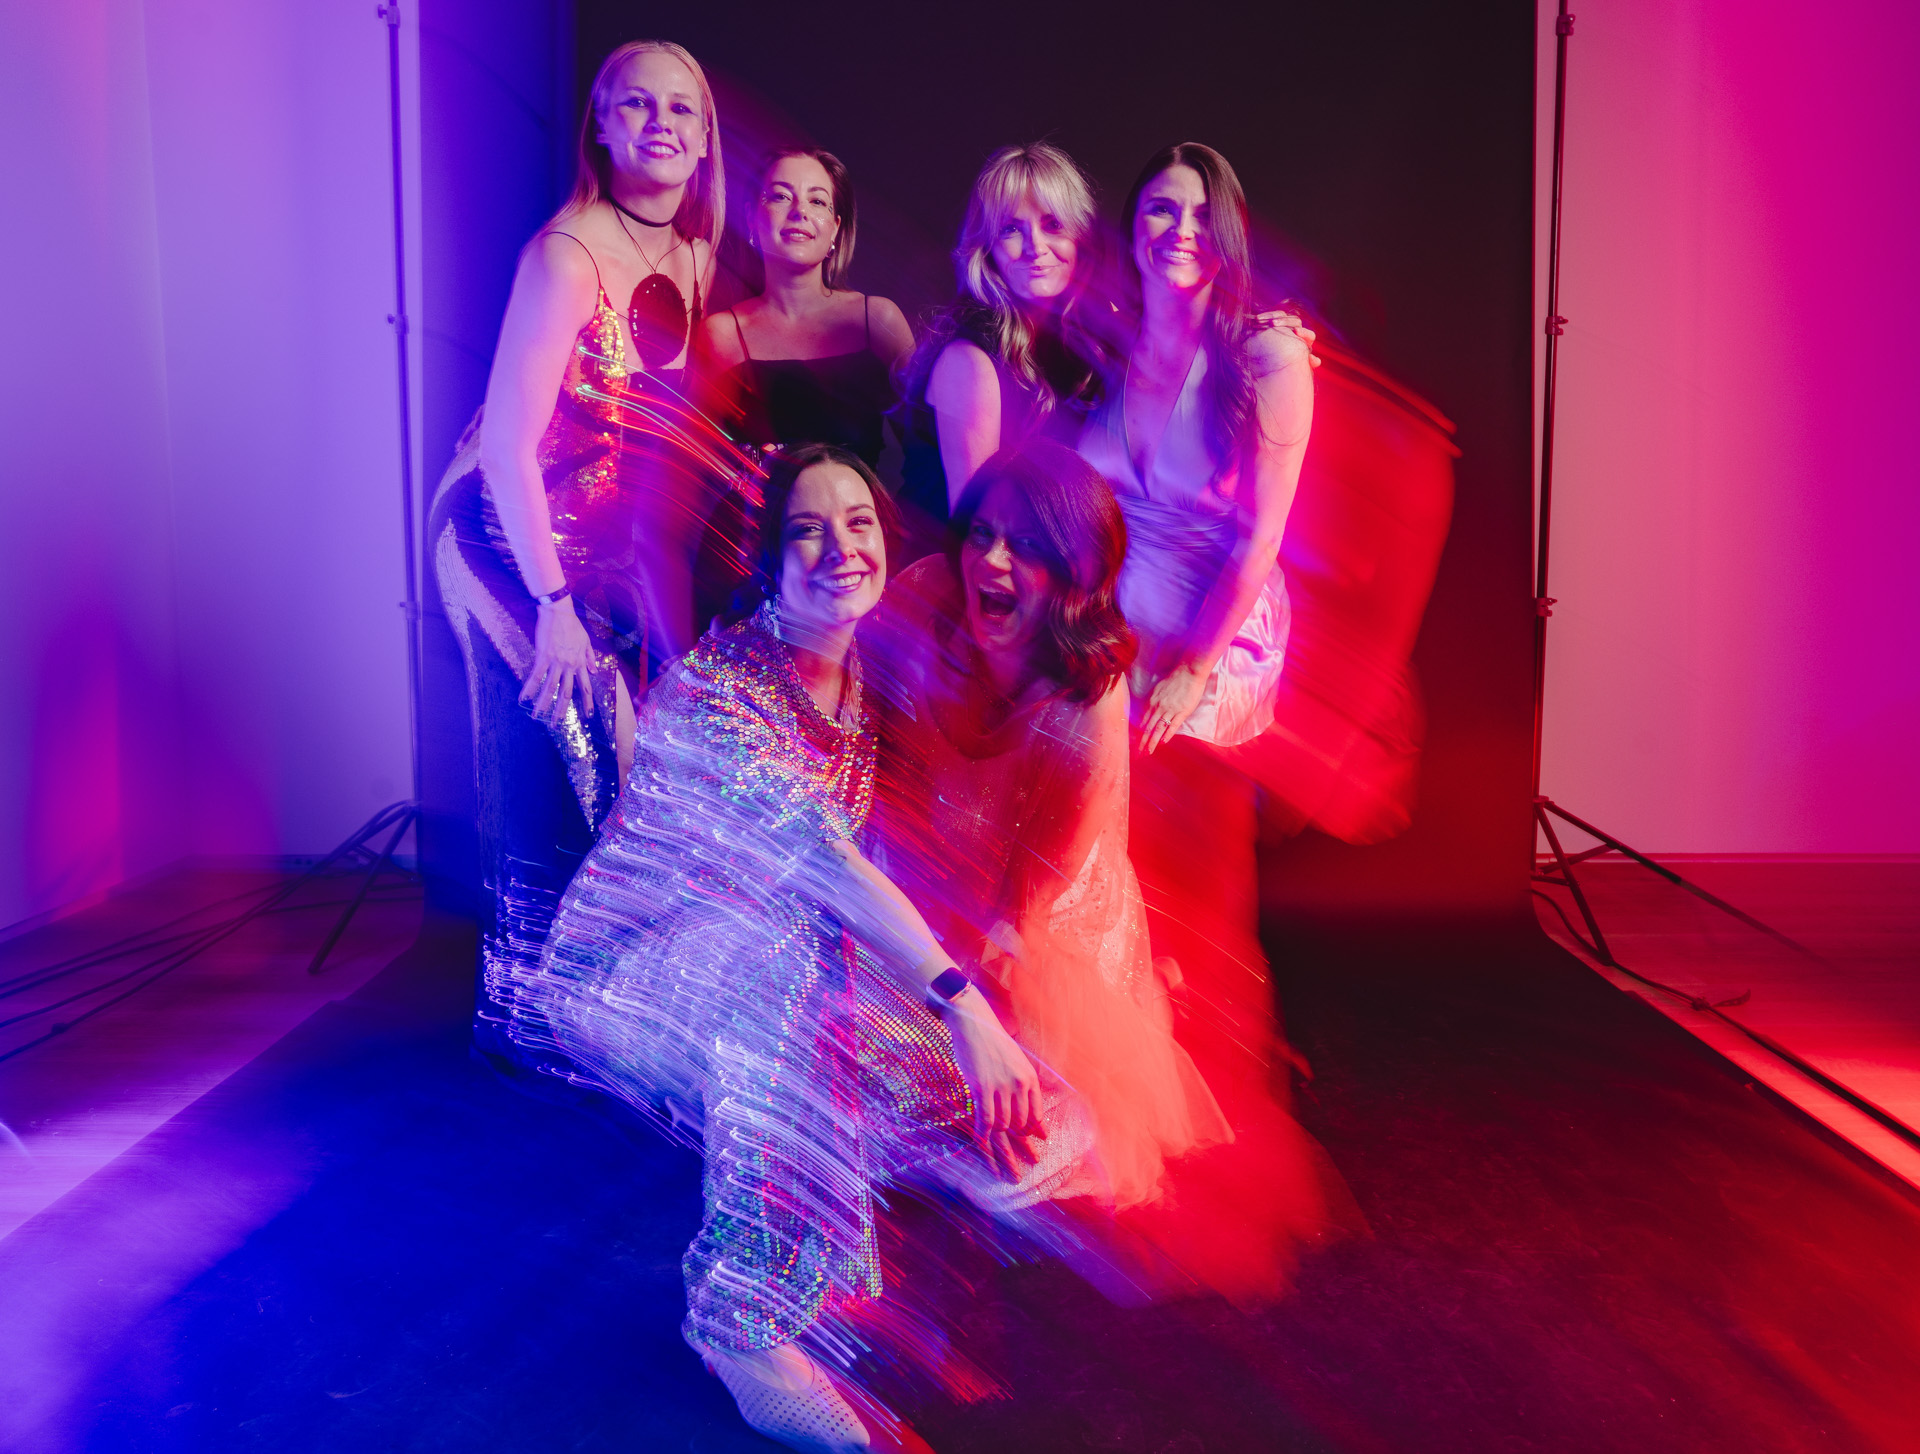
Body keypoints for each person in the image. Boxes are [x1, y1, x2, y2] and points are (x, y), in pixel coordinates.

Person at [510, 444, 1044, 1453]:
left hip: (767, 938)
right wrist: (960, 1000)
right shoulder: (725, 691)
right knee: (798, 966)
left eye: (859, 523)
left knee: (966, 1078)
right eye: (808, 530)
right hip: (629, 968)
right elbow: (822, 863)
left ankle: (814, 1226)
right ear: (767, 560)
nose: (842, 548)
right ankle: (739, 1322)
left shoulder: (856, 673)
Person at [429, 40, 732, 1049]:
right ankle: (520, 1019)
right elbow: (509, 450)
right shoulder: (563, 257)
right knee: (574, 750)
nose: (660, 123)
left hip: (586, 554)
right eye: (636, 104)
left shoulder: (693, 258)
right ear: (600, 126)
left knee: (625, 769)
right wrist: (554, 607)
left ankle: (587, 1005)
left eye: (680, 109)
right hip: (500, 534)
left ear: (704, 140)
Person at [1077, 143, 1325, 1298]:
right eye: (1155, 209)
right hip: (1120, 646)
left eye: (1195, 212)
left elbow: (1263, 537)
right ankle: (1136, 1104)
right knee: (1109, 876)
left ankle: (1216, 1116)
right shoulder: (1112, 349)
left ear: (1224, 232)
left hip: (1211, 648)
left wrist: (1191, 671)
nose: (1175, 228)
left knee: (1187, 871)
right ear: (1131, 228)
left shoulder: (1266, 354)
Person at [870, 441, 1230, 1212]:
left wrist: (954, 1009)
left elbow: (1020, 915)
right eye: (982, 534)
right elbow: (872, 754)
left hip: (1034, 921)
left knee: (1006, 1135)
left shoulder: (1088, 698)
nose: (991, 561)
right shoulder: (921, 595)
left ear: (1074, 573)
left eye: (1027, 547)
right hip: (923, 864)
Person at [690, 147, 914, 626]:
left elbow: (928, 454)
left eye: (817, 201)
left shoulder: (877, 320)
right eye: (780, 196)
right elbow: (691, 477)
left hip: (854, 565)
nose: (799, 212)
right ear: (753, 219)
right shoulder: (721, 335)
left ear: (835, 228)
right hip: (752, 570)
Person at [896, 142, 1104, 535]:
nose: (1035, 247)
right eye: (1011, 229)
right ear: (988, 247)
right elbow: (976, 533)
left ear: (1080, 237)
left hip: (1035, 555)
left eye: (1053, 225)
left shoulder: (1074, 345)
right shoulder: (969, 359)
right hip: (954, 563)